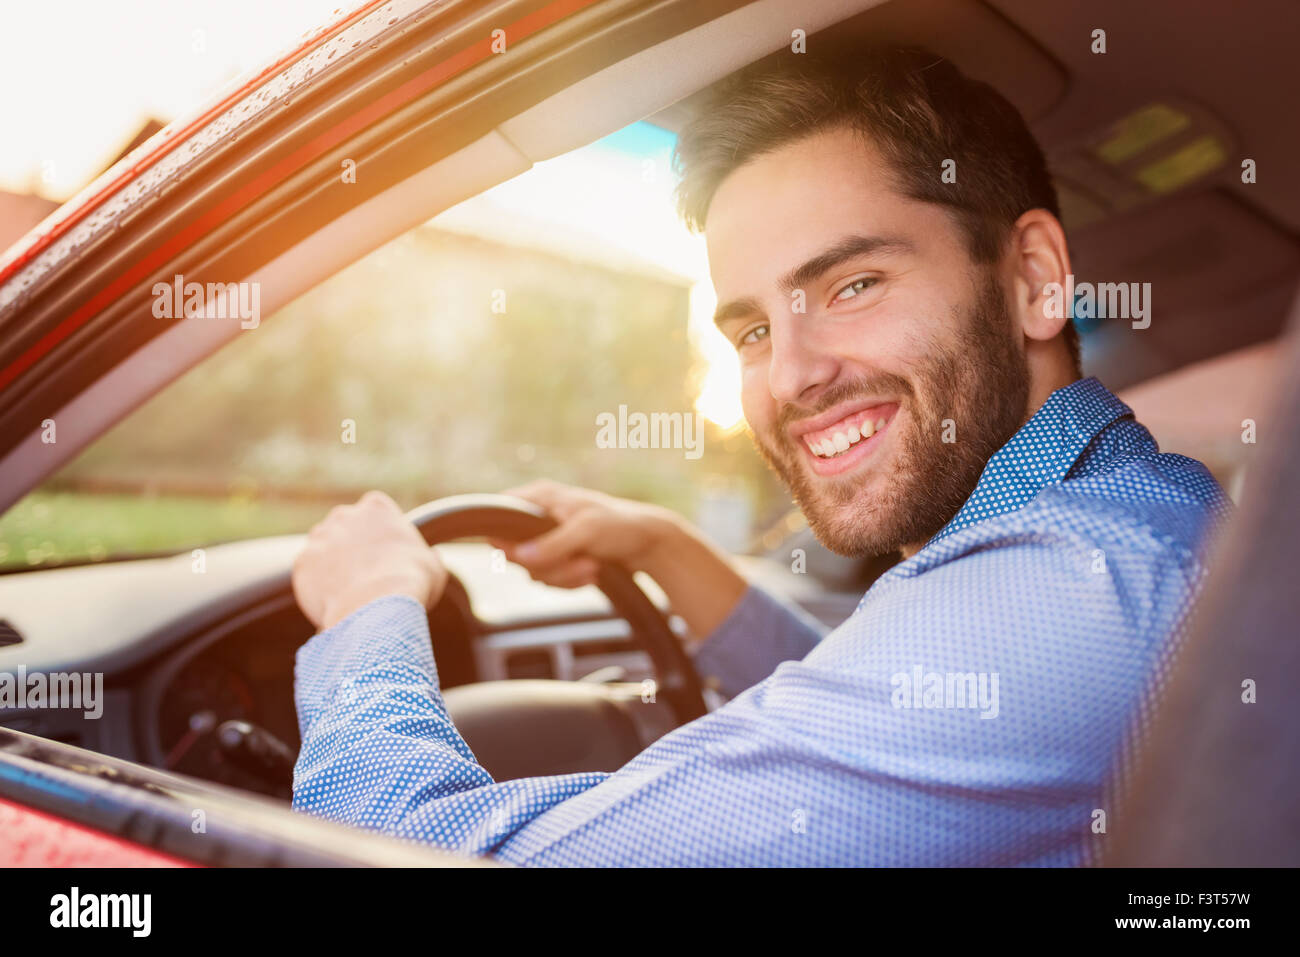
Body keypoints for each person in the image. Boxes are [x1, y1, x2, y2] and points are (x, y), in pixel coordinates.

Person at [288, 46, 1229, 865]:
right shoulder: (1112, 528)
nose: (790, 377)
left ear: (1034, 277)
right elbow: (881, 704)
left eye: (854, 283)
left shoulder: (1063, 600)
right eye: (750, 330)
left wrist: (367, 611)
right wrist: (661, 546)